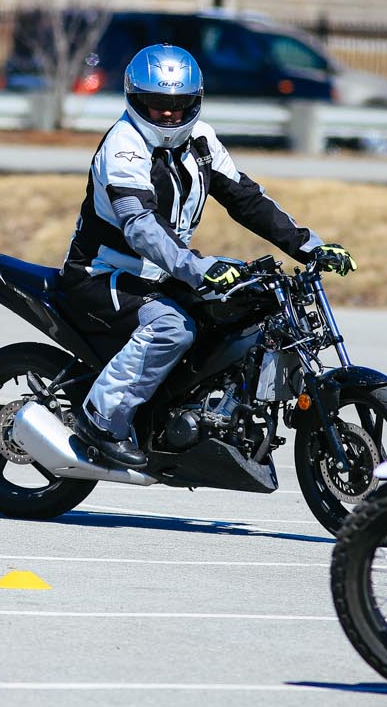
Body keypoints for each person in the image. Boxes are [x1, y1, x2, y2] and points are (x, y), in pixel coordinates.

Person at [57, 43, 356, 468]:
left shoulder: (201, 139)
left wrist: (309, 245)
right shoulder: (123, 147)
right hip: (103, 275)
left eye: (180, 106)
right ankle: (102, 419)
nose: (169, 115)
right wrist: (198, 268)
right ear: (135, 99)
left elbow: (246, 199)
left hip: (166, 272)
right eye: (157, 105)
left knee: (253, 299)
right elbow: (140, 226)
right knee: (172, 329)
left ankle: (212, 415)